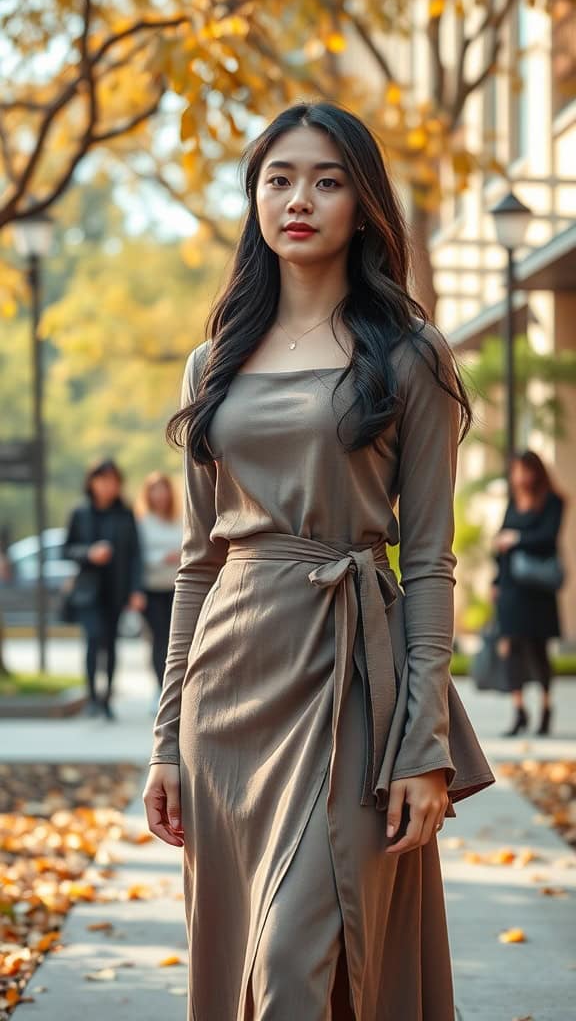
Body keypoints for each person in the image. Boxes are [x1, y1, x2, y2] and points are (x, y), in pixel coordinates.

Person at [143, 102, 495, 1021]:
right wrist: (165, 742)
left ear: (363, 204)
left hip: (351, 687)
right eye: (280, 178)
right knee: (257, 967)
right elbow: (194, 565)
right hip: (229, 695)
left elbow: (427, 561)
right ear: (256, 198)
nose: (300, 199)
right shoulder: (210, 363)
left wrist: (424, 746)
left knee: (307, 960)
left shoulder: (409, 357)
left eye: (328, 180)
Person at [63, 458, 145, 719]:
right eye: (102, 480)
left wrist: (135, 590)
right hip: (88, 591)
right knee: (92, 640)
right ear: (92, 482)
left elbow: (135, 554)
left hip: (116, 589)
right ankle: (91, 698)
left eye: (112, 481)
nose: (107, 486)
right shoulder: (80, 512)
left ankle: (107, 698)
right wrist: (89, 553)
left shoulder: (125, 513)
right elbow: (67, 549)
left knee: (110, 644)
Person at [492, 450, 564, 737]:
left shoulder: (553, 502)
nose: (519, 477)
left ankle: (546, 708)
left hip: (537, 589)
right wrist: (495, 581)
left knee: (538, 649)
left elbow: (548, 538)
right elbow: (499, 543)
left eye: (524, 471)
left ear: (536, 472)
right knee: (511, 648)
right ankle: (519, 711)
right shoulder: (512, 502)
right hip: (511, 587)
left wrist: (517, 538)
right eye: (515, 472)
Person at [136, 472, 182, 696]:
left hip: (178, 588)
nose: (160, 495)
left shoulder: (181, 520)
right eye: (155, 490)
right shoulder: (142, 523)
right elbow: (137, 556)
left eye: (163, 489)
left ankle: (177, 688)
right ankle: (159, 687)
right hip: (152, 590)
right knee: (159, 638)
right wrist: (162, 558)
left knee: (178, 640)